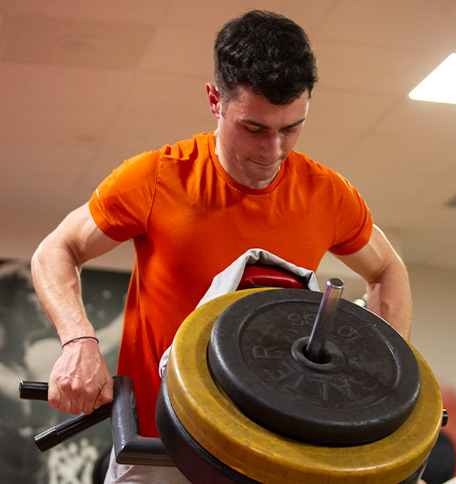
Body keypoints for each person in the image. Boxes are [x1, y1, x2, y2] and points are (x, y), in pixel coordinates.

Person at [30, 9, 412, 483]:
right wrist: (78, 341)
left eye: (290, 128)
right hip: (158, 447)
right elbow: (56, 250)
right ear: (215, 100)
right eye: (254, 128)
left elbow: (387, 270)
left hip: (269, 459)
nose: (273, 151)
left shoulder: (328, 194)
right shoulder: (157, 178)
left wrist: (387, 385)